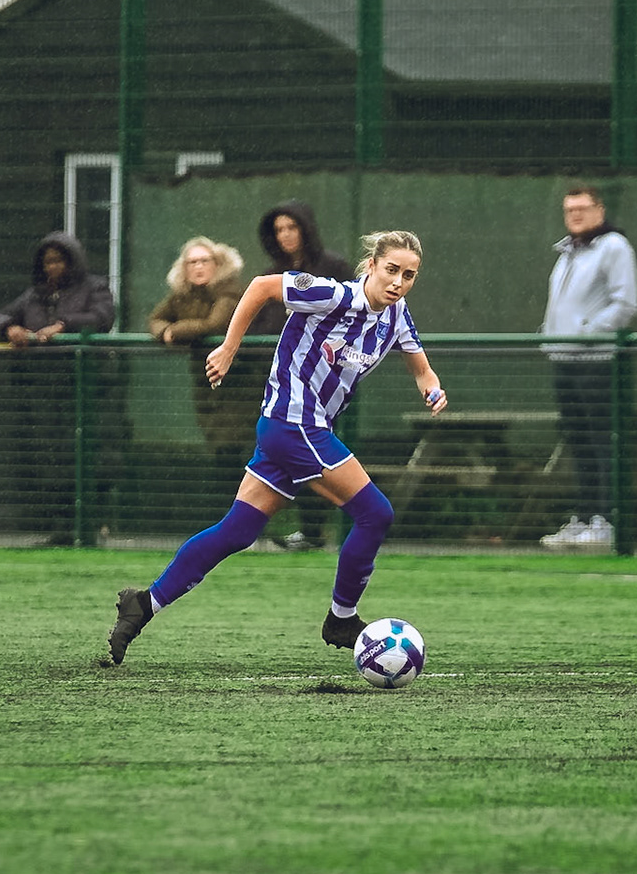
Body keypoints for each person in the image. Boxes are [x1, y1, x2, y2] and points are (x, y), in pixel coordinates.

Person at [100, 231, 448, 667]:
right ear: (372, 266)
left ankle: (143, 604)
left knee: (237, 531)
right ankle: (342, 619)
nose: (398, 282)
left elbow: (421, 368)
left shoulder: (395, 315)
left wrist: (431, 388)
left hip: (298, 430)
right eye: (391, 270)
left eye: (409, 275)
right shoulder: (333, 295)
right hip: (293, 423)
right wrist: (228, 348)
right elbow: (262, 286)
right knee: (375, 513)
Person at [0, 233, 117, 546]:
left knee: (88, 454)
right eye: (47, 262)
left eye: (59, 260)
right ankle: (61, 527)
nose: (53, 267)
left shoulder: (94, 287)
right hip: (44, 389)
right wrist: (10, 328)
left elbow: (102, 317)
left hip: (84, 388)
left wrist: (63, 325)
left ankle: (92, 526)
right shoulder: (34, 294)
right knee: (51, 457)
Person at [539, 184, 637, 549]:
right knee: (578, 443)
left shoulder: (614, 246)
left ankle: (606, 521)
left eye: (582, 208)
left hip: (597, 363)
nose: (575, 215)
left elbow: (626, 304)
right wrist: (553, 336)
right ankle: (583, 519)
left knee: (601, 442)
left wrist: (585, 333)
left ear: (600, 210)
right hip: (564, 362)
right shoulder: (566, 253)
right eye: (570, 210)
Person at [252, 202, 353, 549]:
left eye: (291, 227)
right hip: (282, 389)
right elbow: (263, 326)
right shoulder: (272, 276)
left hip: (324, 387)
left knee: (320, 461)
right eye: (279, 229)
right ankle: (249, 530)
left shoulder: (333, 269)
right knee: (276, 461)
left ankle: (316, 532)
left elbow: (350, 320)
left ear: (306, 228)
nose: (285, 235)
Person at [148, 237, 250, 485]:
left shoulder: (229, 290)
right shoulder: (182, 295)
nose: (198, 267)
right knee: (216, 444)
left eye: (204, 260)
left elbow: (214, 325)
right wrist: (164, 331)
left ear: (217, 263)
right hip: (204, 380)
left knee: (235, 445)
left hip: (239, 380)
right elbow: (155, 319)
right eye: (192, 262)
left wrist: (176, 331)